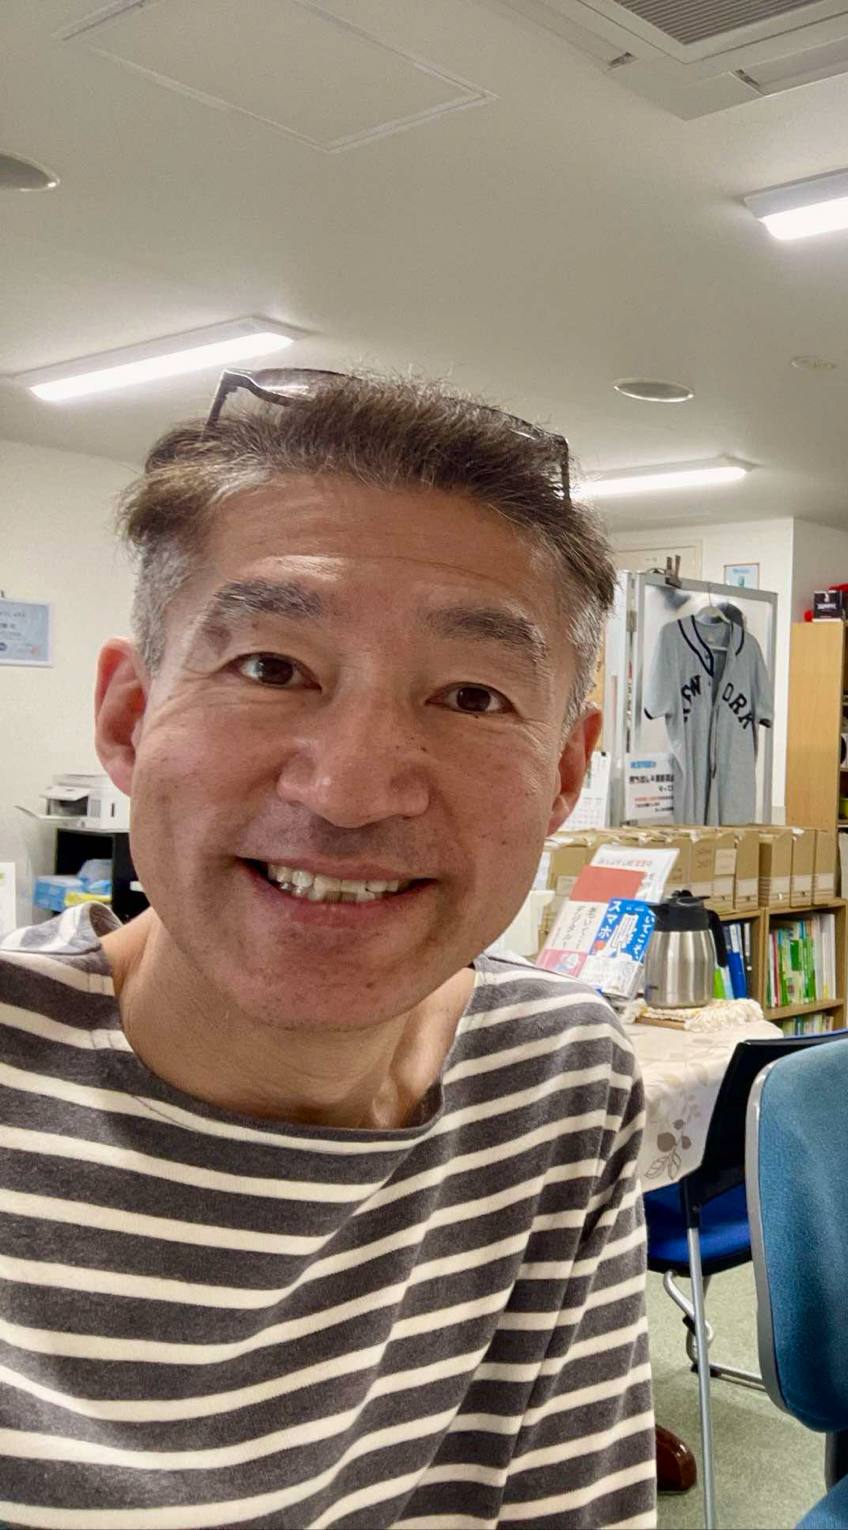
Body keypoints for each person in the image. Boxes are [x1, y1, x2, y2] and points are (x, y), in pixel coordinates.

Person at [0, 370, 655, 1525]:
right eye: (269, 668)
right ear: (129, 718)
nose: (350, 790)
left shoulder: (557, 1077)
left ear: (563, 775)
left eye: (472, 696)